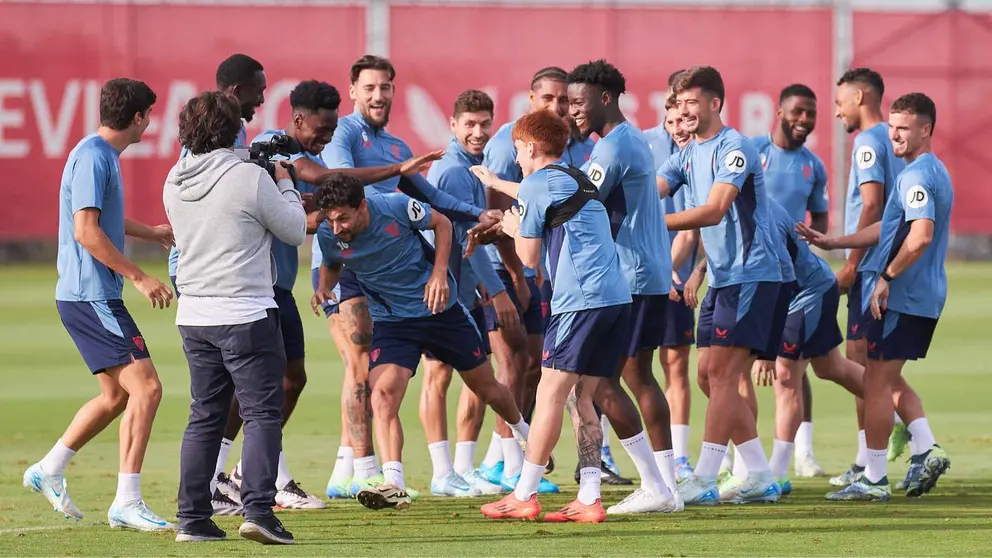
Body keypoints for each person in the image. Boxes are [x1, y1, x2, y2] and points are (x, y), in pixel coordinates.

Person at [319, 55, 500, 498]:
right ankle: (360, 467)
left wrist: (480, 213)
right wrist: (395, 174)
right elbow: (339, 179)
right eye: (370, 88)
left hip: (397, 262)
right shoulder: (343, 133)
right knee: (359, 358)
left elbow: (430, 198)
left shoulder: (400, 148)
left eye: (386, 88)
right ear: (353, 91)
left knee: (375, 367)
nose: (378, 95)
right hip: (350, 256)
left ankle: (358, 469)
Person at [311, 174, 529, 511]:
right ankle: (393, 482)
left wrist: (439, 273)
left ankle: (522, 431)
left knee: (487, 388)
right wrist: (324, 288)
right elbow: (330, 264)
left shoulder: (395, 207)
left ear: (362, 207)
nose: (337, 227)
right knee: (382, 394)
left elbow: (441, 223)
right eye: (331, 219)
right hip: (393, 321)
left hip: (441, 311)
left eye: (343, 217)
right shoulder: (330, 234)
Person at [23, 78, 175, 532]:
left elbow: (101, 216)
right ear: (138, 118)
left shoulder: (98, 153)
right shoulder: (93, 157)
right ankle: (126, 501)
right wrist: (140, 275)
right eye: (150, 114)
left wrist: (150, 233)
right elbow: (85, 231)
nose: (151, 122)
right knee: (147, 389)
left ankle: (49, 468)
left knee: (116, 396)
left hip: (87, 295)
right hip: (93, 295)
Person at [165, 91, 305, 544]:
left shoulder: (174, 179)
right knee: (263, 412)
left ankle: (192, 518)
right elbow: (293, 228)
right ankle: (259, 511)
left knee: (204, 416)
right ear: (233, 130)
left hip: (195, 313)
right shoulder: (249, 177)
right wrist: (284, 182)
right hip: (245, 309)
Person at [479, 110, 631, 523]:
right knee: (583, 397)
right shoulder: (575, 177)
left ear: (529, 147)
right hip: (616, 300)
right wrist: (496, 184)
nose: (517, 160)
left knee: (549, 392)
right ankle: (589, 497)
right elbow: (540, 194)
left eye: (517, 151)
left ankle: (524, 493)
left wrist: (511, 226)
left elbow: (528, 258)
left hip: (578, 301)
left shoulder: (533, 184)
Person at [800, 92, 951, 501]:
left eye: (905, 128)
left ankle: (875, 477)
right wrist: (836, 242)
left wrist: (884, 277)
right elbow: (889, 227)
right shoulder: (926, 171)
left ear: (926, 129)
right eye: (893, 127)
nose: (896, 135)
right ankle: (924, 446)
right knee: (883, 377)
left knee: (878, 383)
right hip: (915, 295)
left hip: (903, 296)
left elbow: (920, 236)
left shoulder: (918, 175)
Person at [204, 80, 343, 512]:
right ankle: (222, 478)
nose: (327, 138)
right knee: (254, 389)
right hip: (255, 290)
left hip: (279, 289)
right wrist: (379, 176)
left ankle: (249, 474)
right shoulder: (270, 148)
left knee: (289, 381)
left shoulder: (290, 159)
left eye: (333, 129)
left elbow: (299, 213)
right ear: (298, 119)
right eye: (321, 129)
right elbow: (290, 214)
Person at [657, 65, 783, 505]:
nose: (685, 111)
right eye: (679, 103)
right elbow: (654, 187)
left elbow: (713, 211)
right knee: (710, 377)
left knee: (726, 376)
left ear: (715, 103)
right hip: (723, 277)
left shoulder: (735, 149)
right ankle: (761, 474)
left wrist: (651, 225)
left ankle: (706, 478)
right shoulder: (688, 151)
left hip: (754, 275)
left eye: (693, 102)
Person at [566, 59, 680, 514]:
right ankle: (667, 489)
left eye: (579, 101)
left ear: (605, 98)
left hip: (630, 277)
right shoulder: (629, 140)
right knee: (638, 376)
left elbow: (579, 210)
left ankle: (657, 487)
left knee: (599, 385)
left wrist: (519, 213)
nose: (573, 110)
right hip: (645, 272)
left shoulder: (612, 149)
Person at [477, 66, 593, 488]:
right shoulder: (516, 143)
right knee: (518, 366)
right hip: (506, 269)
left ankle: (510, 468)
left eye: (564, 100)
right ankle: (511, 466)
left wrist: (527, 255)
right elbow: (500, 216)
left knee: (538, 375)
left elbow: (531, 206)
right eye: (549, 100)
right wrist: (515, 275)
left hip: (561, 281)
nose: (558, 107)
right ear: (531, 99)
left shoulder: (562, 150)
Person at [420, 90, 524, 498]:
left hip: (464, 289)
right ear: (453, 124)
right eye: (470, 124)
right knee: (438, 373)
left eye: (485, 124)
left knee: (473, 372)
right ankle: (441, 471)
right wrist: (497, 289)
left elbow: (475, 237)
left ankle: (462, 466)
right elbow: (464, 236)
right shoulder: (448, 171)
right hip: (441, 289)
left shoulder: (474, 168)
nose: (478, 132)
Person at [831, 68, 910, 487]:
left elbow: (872, 206)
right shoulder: (895, 141)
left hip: (869, 268)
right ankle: (879, 450)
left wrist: (850, 263)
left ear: (860, 97)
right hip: (889, 265)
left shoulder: (867, 141)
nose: (836, 110)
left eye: (841, 100)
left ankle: (875, 457)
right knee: (874, 365)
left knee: (865, 366)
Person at [750, 84, 829, 477]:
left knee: (795, 367)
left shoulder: (813, 166)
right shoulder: (753, 152)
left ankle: (803, 453)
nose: (804, 120)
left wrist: (806, 247)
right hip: (756, 276)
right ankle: (742, 455)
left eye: (811, 114)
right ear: (779, 112)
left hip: (798, 279)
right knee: (750, 364)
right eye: (798, 111)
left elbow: (822, 222)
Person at [168, 54, 267, 289]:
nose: (262, 100)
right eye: (259, 91)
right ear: (238, 91)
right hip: (196, 263)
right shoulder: (217, 131)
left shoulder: (226, 128)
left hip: (205, 261)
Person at [644, 71, 698, 482]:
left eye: (686, 116)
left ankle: (678, 458)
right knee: (618, 366)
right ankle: (606, 455)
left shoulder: (705, 150)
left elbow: (695, 224)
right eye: (672, 116)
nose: (679, 125)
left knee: (676, 366)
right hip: (641, 276)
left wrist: (676, 274)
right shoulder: (642, 144)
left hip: (678, 279)